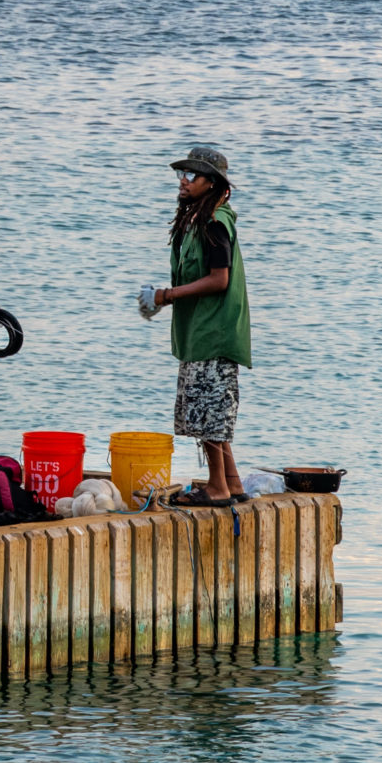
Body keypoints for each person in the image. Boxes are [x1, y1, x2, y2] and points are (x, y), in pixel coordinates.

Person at [141, 145, 253, 506]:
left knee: (208, 413)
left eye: (193, 175)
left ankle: (217, 488)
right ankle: (232, 483)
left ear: (212, 183)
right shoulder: (202, 219)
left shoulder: (214, 224)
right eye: (182, 174)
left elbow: (219, 279)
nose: (184, 181)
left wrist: (166, 295)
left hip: (213, 332)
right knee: (213, 409)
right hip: (203, 331)